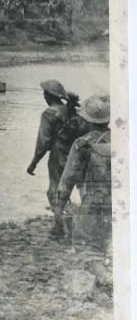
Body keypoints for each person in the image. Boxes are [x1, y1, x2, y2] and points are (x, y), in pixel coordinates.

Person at [27, 79, 89, 236]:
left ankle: (60, 226)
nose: (43, 96)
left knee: (55, 191)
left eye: (44, 93)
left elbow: (43, 142)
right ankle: (83, 223)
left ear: (49, 96)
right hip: (78, 155)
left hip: (59, 157)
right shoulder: (73, 111)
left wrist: (34, 162)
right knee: (82, 190)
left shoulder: (49, 114)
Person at [54, 94, 111, 248]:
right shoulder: (123, 140)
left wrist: (58, 208)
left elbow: (67, 179)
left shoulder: (82, 144)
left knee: (86, 248)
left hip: (92, 205)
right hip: (118, 205)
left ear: (87, 120)